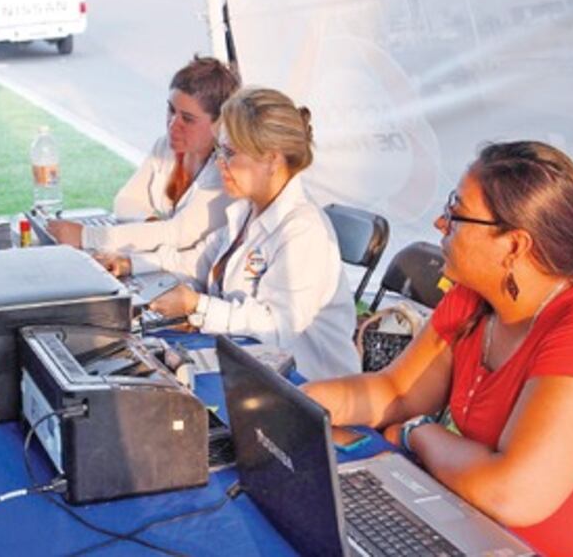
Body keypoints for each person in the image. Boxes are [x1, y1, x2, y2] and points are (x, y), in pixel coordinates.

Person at [304, 141, 573, 555]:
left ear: (514, 245)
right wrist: (294, 406)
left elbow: (511, 493)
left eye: (456, 213)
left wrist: (416, 433)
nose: (441, 223)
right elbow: (396, 391)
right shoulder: (475, 297)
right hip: (480, 535)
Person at [100, 87, 359, 380]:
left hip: (308, 386)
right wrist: (131, 263)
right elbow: (198, 261)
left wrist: (198, 305)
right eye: (219, 150)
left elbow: (276, 329)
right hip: (252, 367)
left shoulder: (303, 231)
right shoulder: (249, 209)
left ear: (272, 160)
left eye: (230, 153)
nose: (219, 163)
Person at [48, 56, 239, 253]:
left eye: (188, 119)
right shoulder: (166, 146)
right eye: (171, 110)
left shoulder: (226, 171)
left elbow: (179, 234)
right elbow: (124, 201)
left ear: (220, 123)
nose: (173, 124)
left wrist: (86, 236)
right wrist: (151, 225)